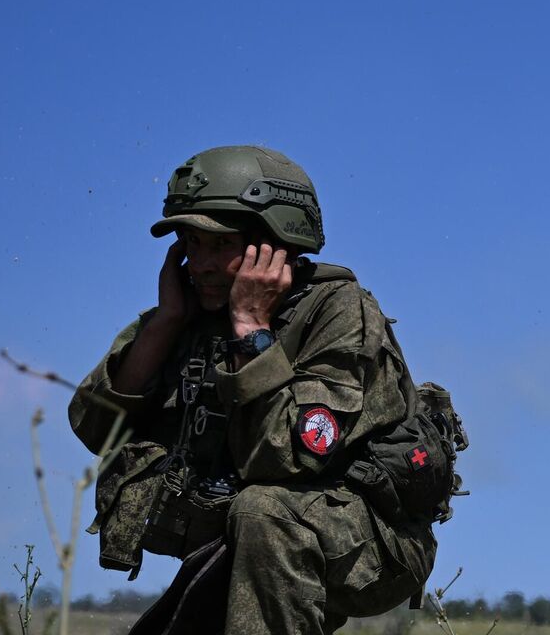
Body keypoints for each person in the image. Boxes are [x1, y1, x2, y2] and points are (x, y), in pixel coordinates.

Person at [69, 145, 436, 634]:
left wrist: (251, 328)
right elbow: (94, 427)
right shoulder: (185, 314)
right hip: (245, 542)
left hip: (369, 542)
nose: (200, 263)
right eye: (190, 243)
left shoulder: (338, 311)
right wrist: (164, 326)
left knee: (262, 509)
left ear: (276, 241)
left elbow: (285, 458)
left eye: (221, 245)